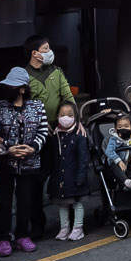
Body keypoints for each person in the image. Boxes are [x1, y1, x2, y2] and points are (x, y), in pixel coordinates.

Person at [0, 70, 47, 254]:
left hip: (30, 162)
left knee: (26, 200)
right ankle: (3, 237)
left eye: (12, 86)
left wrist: (32, 147)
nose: (8, 89)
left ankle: (23, 235)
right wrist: (8, 149)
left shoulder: (37, 106)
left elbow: (43, 131)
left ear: (23, 89)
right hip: (5, 163)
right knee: (4, 201)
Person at [45, 99, 93, 240]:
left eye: (69, 115)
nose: (65, 118)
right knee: (62, 204)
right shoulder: (55, 135)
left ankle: (78, 227)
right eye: (62, 114)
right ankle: (64, 228)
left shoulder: (79, 135)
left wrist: (81, 176)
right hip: (59, 176)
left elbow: (84, 158)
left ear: (75, 116)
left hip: (75, 175)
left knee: (77, 203)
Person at [23, 36, 75, 129]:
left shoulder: (56, 71)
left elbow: (68, 96)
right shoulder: (24, 75)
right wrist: (41, 123)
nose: (50, 51)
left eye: (49, 48)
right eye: (46, 48)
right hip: (35, 127)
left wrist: (74, 119)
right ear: (34, 53)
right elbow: (23, 105)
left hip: (59, 126)